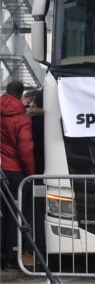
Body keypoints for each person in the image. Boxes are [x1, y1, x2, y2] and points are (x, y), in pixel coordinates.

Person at [1, 81, 35, 270]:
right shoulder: (22, 119)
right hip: (14, 172)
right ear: (21, 95)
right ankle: (12, 256)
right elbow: (25, 150)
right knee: (15, 214)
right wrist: (30, 175)